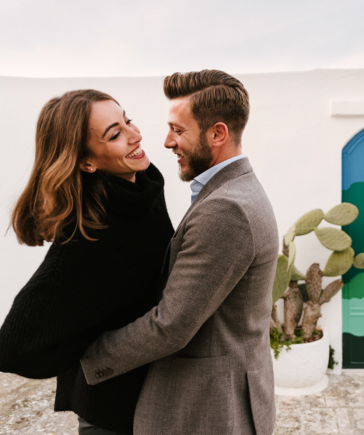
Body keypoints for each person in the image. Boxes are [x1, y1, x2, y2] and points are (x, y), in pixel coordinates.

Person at [79, 70, 279, 435]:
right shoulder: (232, 190)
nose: (168, 142)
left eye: (178, 130)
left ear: (217, 133)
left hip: (209, 409)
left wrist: (87, 356)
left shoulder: (226, 209)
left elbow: (170, 326)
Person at [0, 89, 174, 435]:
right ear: (87, 161)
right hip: (111, 417)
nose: (135, 135)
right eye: (115, 134)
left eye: (127, 120)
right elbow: (11, 351)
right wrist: (91, 351)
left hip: (157, 400)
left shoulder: (143, 187)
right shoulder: (87, 240)